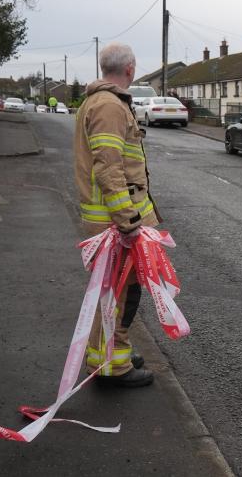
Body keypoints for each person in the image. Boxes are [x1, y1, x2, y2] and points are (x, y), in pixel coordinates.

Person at [73, 42, 161, 387]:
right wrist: (127, 222)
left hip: (111, 218)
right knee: (124, 292)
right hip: (115, 222)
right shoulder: (109, 107)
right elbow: (109, 168)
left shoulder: (102, 102)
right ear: (130, 68)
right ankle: (114, 367)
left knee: (114, 293)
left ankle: (110, 353)